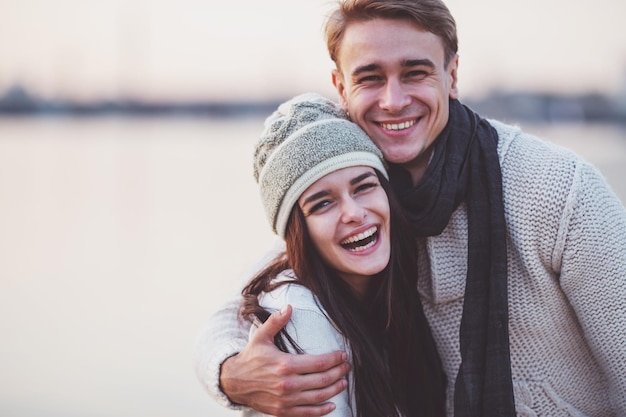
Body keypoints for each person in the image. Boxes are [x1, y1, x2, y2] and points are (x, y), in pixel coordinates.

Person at [195, 1, 626, 416]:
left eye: (414, 72)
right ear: (341, 88)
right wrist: (230, 375)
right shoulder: (356, 186)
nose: (393, 101)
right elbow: (240, 307)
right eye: (370, 78)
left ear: (452, 75)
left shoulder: (557, 187)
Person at [231, 92, 446, 417]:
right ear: (297, 233)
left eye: (363, 187)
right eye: (323, 203)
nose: (354, 213)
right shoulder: (298, 315)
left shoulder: (382, 294)